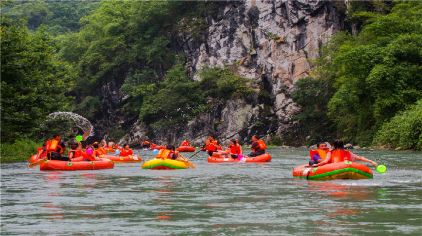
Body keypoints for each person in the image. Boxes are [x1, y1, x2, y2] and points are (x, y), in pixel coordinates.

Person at [312, 140, 378, 167]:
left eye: (325, 146)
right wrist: (372, 162)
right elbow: (360, 158)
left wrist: (316, 165)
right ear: (343, 145)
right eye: (322, 146)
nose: (324, 147)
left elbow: (326, 161)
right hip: (341, 166)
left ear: (334, 146)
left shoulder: (330, 152)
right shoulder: (347, 152)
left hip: (335, 167)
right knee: (311, 162)